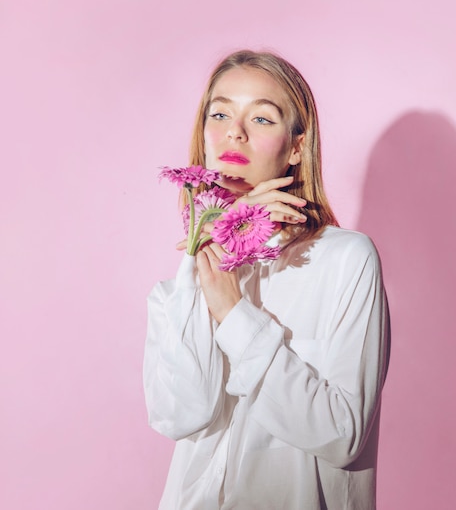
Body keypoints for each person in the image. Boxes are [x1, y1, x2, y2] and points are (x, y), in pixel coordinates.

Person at [144, 50, 390, 509]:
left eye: (261, 118)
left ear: (296, 147)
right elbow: (182, 413)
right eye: (220, 113)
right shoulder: (178, 286)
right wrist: (210, 251)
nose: (233, 131)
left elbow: (341, 434)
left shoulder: (344, 259)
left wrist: (234, 314)